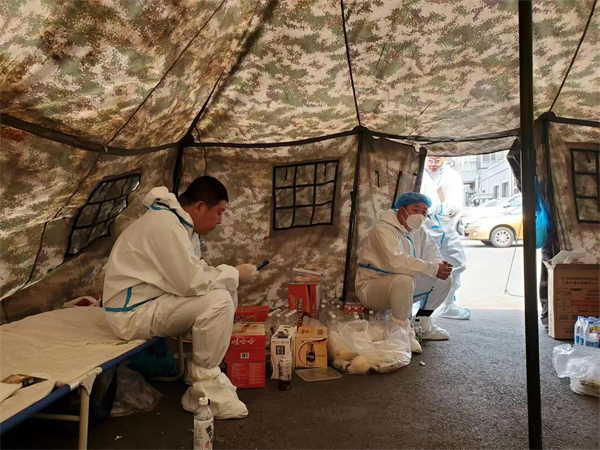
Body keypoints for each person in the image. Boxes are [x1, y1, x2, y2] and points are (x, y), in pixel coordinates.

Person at [103, 176, 258, 419]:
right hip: (130, 314)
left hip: (148, 303)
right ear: (199, 207)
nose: (219, 221)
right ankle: (203, 391)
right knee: (219, 300)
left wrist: (229, 277)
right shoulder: (165, 225)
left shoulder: (181, 226)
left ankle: (202, 374)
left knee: (225, 290)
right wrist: (234, 274)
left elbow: (194, 273)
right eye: (219, 213)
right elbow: (190, 283)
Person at [355, 192, 453, 353]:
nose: (420, 215)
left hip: (402, 288)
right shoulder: (383, 230)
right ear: (401, 209)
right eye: (416, 209)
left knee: (444, 279)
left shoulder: (419, 232)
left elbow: (432, 252)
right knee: (404, 279)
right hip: (372, 289)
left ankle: (422, 323)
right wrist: (433, 268)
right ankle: (401, 333)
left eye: (424, 211)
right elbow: (395, 261)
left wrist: (439, 267)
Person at [421, 156, 471, 320]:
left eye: (437, 160)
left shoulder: (451, 175)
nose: (433, 164)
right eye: (431, 160)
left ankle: (448, 303)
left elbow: (457, 198)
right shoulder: (418, 172)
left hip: (446, 225)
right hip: (424, 225)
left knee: (457, 262)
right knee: (423, 263)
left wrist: (452, 208)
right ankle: (419, 306)